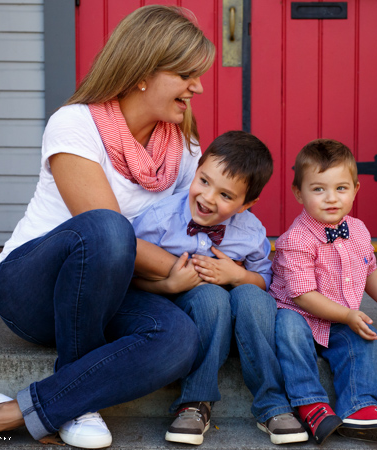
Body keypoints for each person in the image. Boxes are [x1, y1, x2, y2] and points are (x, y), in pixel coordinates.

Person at [0, 5, 208, 450]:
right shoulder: (76, 123)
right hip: (32, 288)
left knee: (179, 339)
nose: (196, 87)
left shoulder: (184, 147)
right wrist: (176, 273)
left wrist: (174, 280)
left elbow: (183, 230)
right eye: (185, 74)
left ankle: (6, 413)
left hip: (119, 289)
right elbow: (107, 232)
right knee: (106, 229)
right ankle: (76, 401)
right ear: (143, 72)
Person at [131, 130, 308, 445]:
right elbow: (130, 273)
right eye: (204, 181)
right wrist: (170, 283)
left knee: (253, 297)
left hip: (242, 315)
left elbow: (265, 280)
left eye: (226, 195)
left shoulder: (250, 232)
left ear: (246, 204)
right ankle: (195, 402)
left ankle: (273, 404)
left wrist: (237, 276)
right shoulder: (160, 220)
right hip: (188, 310)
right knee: (211, 297)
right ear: (196, 171)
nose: (208, 198)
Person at [269, 139, 377, 445]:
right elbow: (302, 295)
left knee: (368, 340)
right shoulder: (296, 239)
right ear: (299, 193)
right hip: (299, 315)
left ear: (355, 190)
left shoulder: (359, 230)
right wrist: (348, 314)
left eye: (341, 188)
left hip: (339, 319)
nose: (331, 198)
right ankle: (310, 403)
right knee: (287, 330)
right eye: (318, 189)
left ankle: (359, 407)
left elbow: (369, 270)